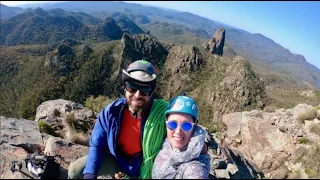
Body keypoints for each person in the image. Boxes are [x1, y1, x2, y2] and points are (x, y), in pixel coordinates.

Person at [68, 60, 168, 179]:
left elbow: (181, 133)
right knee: (75, 171)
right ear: (124, 87)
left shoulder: (161, 115)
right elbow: (97, 145)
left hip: (144, 165)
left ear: (152, 92)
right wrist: (90, 173)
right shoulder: (111, 112)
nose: (137, 95)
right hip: (119, 160)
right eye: (132, 87)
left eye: (144, 89)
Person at [152, 95, 211, 179]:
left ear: (194, 127)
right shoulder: (166, 141)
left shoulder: (194, 168)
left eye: (186, 125)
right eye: (172, 124)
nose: (178, 131)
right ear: (166, 123)